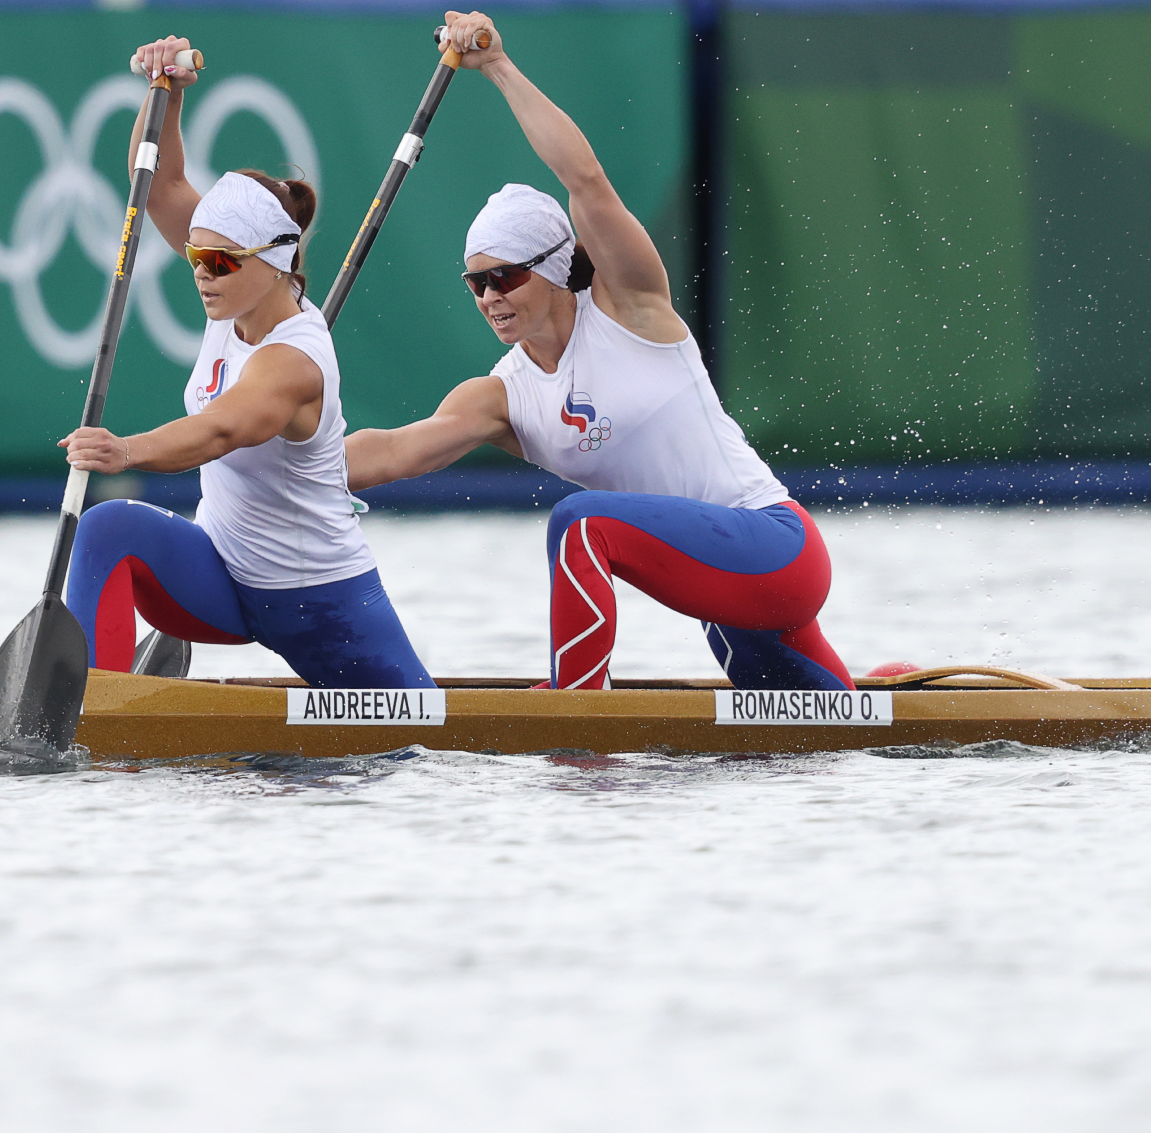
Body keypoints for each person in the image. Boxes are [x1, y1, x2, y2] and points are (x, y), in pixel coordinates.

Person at [345, 9, 852, 692]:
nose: (490, 296)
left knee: (582, 525)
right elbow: (389, 453)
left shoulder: (632, 309)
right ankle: (887, 690)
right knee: (837, 731)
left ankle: (577, 713)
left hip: (775, 551)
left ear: (554, 267)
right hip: (726, 603)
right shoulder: (501, 396)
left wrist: (496, 65)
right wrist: (264, 455)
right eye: (475, 283)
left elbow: (584, 179)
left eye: (506, 276)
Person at [54, 36, 434, 690]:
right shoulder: (232, 287)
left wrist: (125, 452)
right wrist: (166, 93)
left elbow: (222, 429)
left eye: (220, 262)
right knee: (108, 527)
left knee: (417, 737)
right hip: (223, 579)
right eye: (196, 258)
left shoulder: (294, 360)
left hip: (319, 602)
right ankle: (93, 705)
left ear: (276, 258)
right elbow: (161, 181)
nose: (201, 274)